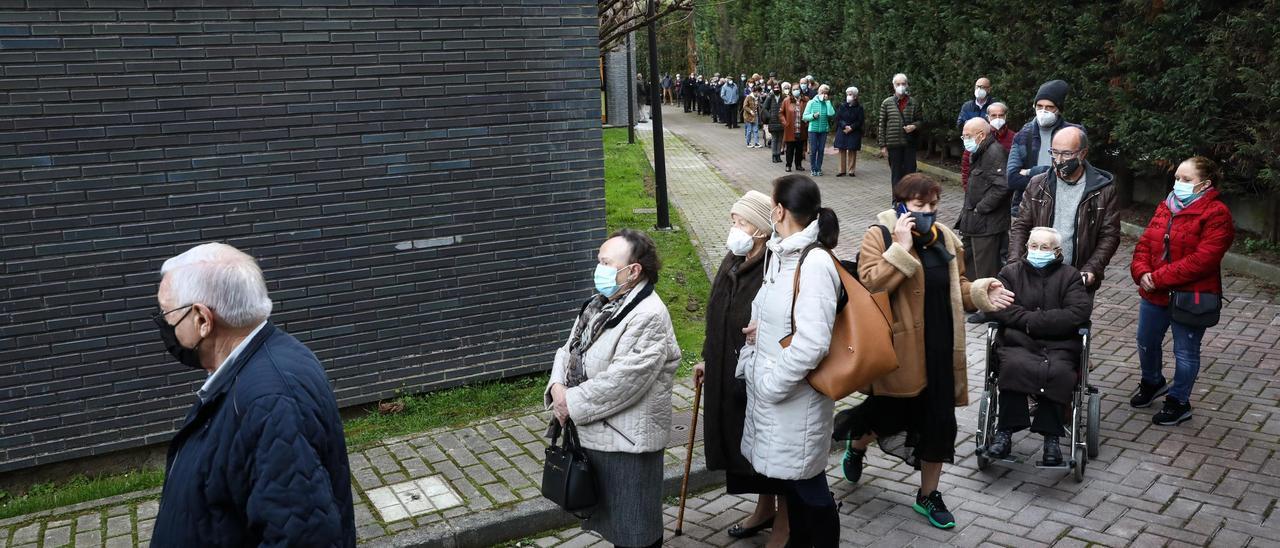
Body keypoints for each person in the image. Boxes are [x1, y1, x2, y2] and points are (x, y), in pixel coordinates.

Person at [834, 174, 1012, 530]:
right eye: (920, 206)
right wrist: (899, 247)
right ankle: (857, 444)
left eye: (933, 205)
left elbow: (956, 284)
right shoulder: (879, 234)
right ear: (901, 205)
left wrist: (980, 291)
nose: (929, 212)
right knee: (888, 416)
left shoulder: (944, 237)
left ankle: (927, 494)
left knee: (939, 424)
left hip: (941, 347)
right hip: (902, 351)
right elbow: (871, 284)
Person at [151, 243, 356, 547]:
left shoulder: (269, 400)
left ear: (202, 320)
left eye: (167, 314)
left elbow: (303, 536)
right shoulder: (269, 359)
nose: (164, 323)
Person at [546, 229, 682, 548]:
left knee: (636, 527)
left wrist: (569, 402)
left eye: (606, 263)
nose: (599, 269)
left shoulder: (649, 316)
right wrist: (556, 386)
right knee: (611, 520)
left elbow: (622, 383)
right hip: (598, 431)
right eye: (599, 261)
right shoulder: (600, 304)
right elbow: (568, 350)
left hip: (627, 442)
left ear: (634, 271)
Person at [738, 174, 842, 547]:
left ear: (779, 210)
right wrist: (760, 331)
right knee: (798, 486)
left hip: (794, 400)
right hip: (781, 401)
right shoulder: (783, 254)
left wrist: (771, 384)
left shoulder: (813, 263)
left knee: (809, 487)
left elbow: (813, 342)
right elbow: (785, 318)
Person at [694, 191, 789, 547]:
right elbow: (715, 312)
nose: (735, 228)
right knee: (742, 447)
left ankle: (786, 521)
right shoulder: (732, 259)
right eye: (733, 220)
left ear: (763, 230)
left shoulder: (775, 266)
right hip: (726, 368)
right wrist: (707, 357)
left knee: (767, 448)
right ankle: (765, 508)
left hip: (759, 373)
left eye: (742, 222)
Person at [1129, 156, 1235, 425]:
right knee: (1146, 341)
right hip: (1154, 291)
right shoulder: (1166, 206)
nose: (1178, 184)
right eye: (1177, 178)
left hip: (1190, 296)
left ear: (1205, 184)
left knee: (1186, 352)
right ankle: (1152, 382)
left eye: (1187, 180)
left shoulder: (1217, 214)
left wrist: (1159, 277)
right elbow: (1145, 243)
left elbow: (1203, 260)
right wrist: (1141, 272)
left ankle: (1178, 401)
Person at [983, 227, 1093, 466]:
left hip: (1060, 346)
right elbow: (1000, 307)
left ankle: (1052, 438)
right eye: (1034, 246)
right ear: (1027, 247)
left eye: (1045, 248)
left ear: (1057, 252)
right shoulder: (1010, 273)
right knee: (1012, 366)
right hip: (1018, 343)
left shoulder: (1070, 276)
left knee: (1060, 372)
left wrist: (1031, 322)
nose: (1038, 251)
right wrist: (1032, 322)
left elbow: (1078, 312)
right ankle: (1004, 433)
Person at [1008, 127, 1120, 293]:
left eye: (1067, 154)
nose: (1059, 160)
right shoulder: (1037, 184)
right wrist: (1015, 263)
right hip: (1036, 273)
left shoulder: (1103, 190)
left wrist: (1092, 268)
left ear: (1082, 153)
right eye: (1054, 152)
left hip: (1077, 279)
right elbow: (1021, 226)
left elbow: (1109, 235)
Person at [1007, 80, 1083, 217]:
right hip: (1027, 208)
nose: (1043, 111)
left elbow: (1072, 172)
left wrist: (1032, 171)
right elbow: (1012, 178)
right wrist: (1052, 174)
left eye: (1049, 107)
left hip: (1062, 208)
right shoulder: (1023, 135)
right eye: (1039, 106)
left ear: (1059, 109)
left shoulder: (1074, 133)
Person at [956, 118, 1011, 286]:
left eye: (967, 136)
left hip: (986, 224)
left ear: (980, 135)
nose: (965, 139)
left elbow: (1002, 187)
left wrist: (981, 208)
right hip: (975, 223)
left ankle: (989, 308)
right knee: (970, 265)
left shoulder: (994, 152)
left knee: (986, 272)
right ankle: (973, 302)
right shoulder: (980, 151)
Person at [878, 73, 923, 189]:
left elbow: (920, 121)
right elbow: (881, 125)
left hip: (909, 144)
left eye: (903, 83)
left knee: (910, 174)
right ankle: (896, 200)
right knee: (896, 174)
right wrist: (883, 145)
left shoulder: (914, 102)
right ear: (893, 86)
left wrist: (914, 126)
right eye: (898, 84)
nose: (901, 86)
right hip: (893, 145)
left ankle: (910, 199)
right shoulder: (887, 103)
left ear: (907, 85)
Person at [962, 102, 1014, 190]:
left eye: (1000, 115)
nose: (997, 118)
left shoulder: (1014, 138)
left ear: (1005, 117)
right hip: (981, 188)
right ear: (988, 117)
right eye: (993, 115)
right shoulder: (980, 136)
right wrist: (967, 188)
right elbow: (967, 164)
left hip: (1004, 188)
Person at [802, 84, 835, 177]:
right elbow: (804, 116)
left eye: (826, 93)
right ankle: (813, 168)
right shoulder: (811, 102)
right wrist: (813, 116)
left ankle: (818, 168)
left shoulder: (826, 103)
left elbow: (831, 113)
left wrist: (828, 102)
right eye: (822, 92)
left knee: (821, 150)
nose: (824, 94)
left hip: (823, 130)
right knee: (813, 150)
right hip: (813, 130)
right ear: (818, 92)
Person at [833, 86, 865, 177]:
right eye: (847, 94)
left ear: (855, 96)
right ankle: (841, 170)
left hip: (854, 131)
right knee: (841, 149)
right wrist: (844, 126)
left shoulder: (859, 108)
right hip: (842, 130)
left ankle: (851, 170)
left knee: (852, 150)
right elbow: (838, 118)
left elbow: (860, 120)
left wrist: (851, 127)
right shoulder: (842, 106)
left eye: (850, 94)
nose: (848, 96)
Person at [780, 84, 809, 173]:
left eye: (797, 89)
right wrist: (785, 123)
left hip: (802, 129)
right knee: (790, 149)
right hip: (790, 129)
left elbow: (810, 112)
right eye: (794, 89)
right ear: (791, 90)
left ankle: (798, 165)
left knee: (799, 149)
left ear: (800, 90)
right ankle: (788, 165)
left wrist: (807, 123)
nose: (796, 90)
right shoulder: (786, 100)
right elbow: (781, 113)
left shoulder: (805, 100)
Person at [764, 83, 786, 163]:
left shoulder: (783, 97)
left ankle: (778, 155)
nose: (776, 89)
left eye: (778, 87)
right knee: (774, 139)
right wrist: (769, 116)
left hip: (781, 121)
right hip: (772, 121)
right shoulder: (770, 97)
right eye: (775, 87)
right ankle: (774, 155)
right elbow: (764, 108)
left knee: (780, 139)